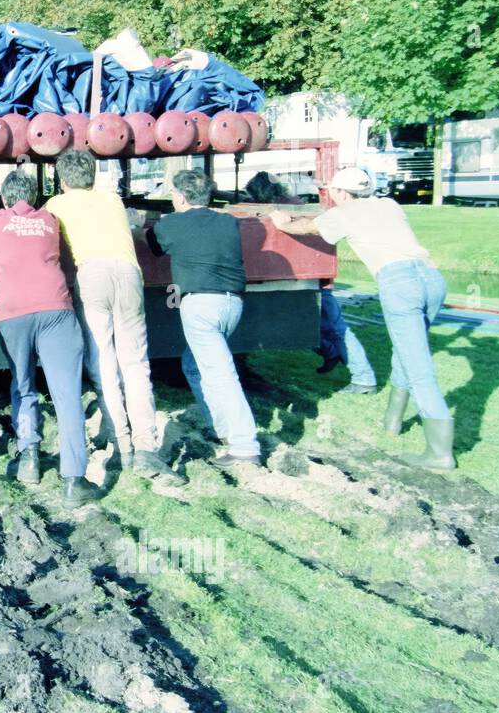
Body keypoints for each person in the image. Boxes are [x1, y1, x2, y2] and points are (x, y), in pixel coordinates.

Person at [269, 167, 455, 470]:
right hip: (431, 277)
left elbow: (307, 226)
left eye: (332, 191)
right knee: (407, 351)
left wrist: (282, 222)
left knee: (420, 369)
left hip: (399, 283)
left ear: (342, 193)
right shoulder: (389, 204)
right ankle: (392, 421)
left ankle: (439, 453)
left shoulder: (343, 213)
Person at [0, 171, 97, 502]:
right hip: (56, 309)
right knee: (66, 394)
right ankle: (74, 481)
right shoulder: (51, 220)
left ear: (5, 198)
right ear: (35, 197)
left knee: (23, 388)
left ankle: (29, 458)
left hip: (14, 314)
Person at [46, 150, 180, 483]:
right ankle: (146, 443)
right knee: (135, 362)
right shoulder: (113, 201)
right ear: (93, 175)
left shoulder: (56, 205)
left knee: (103, 359)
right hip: (130, 274)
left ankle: (121, 442)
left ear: (62, 181)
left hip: (91, 274)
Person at [147, 170, 261, 466]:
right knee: (193, 364)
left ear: (181, 197)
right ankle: (219, 426)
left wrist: (140, 224)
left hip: (200, 307)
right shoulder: (227, 222)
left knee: (222, 375)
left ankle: (245, 445)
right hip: (233, 304)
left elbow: (155, 247)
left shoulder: (171, 223)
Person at [248, 174, 377, 393]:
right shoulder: (297, 204)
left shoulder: (264, 208)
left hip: (282, 277)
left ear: (257, 192)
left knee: (330, 328)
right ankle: (331, 353)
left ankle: (363, 378)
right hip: (310, 275)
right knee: (325, 326)